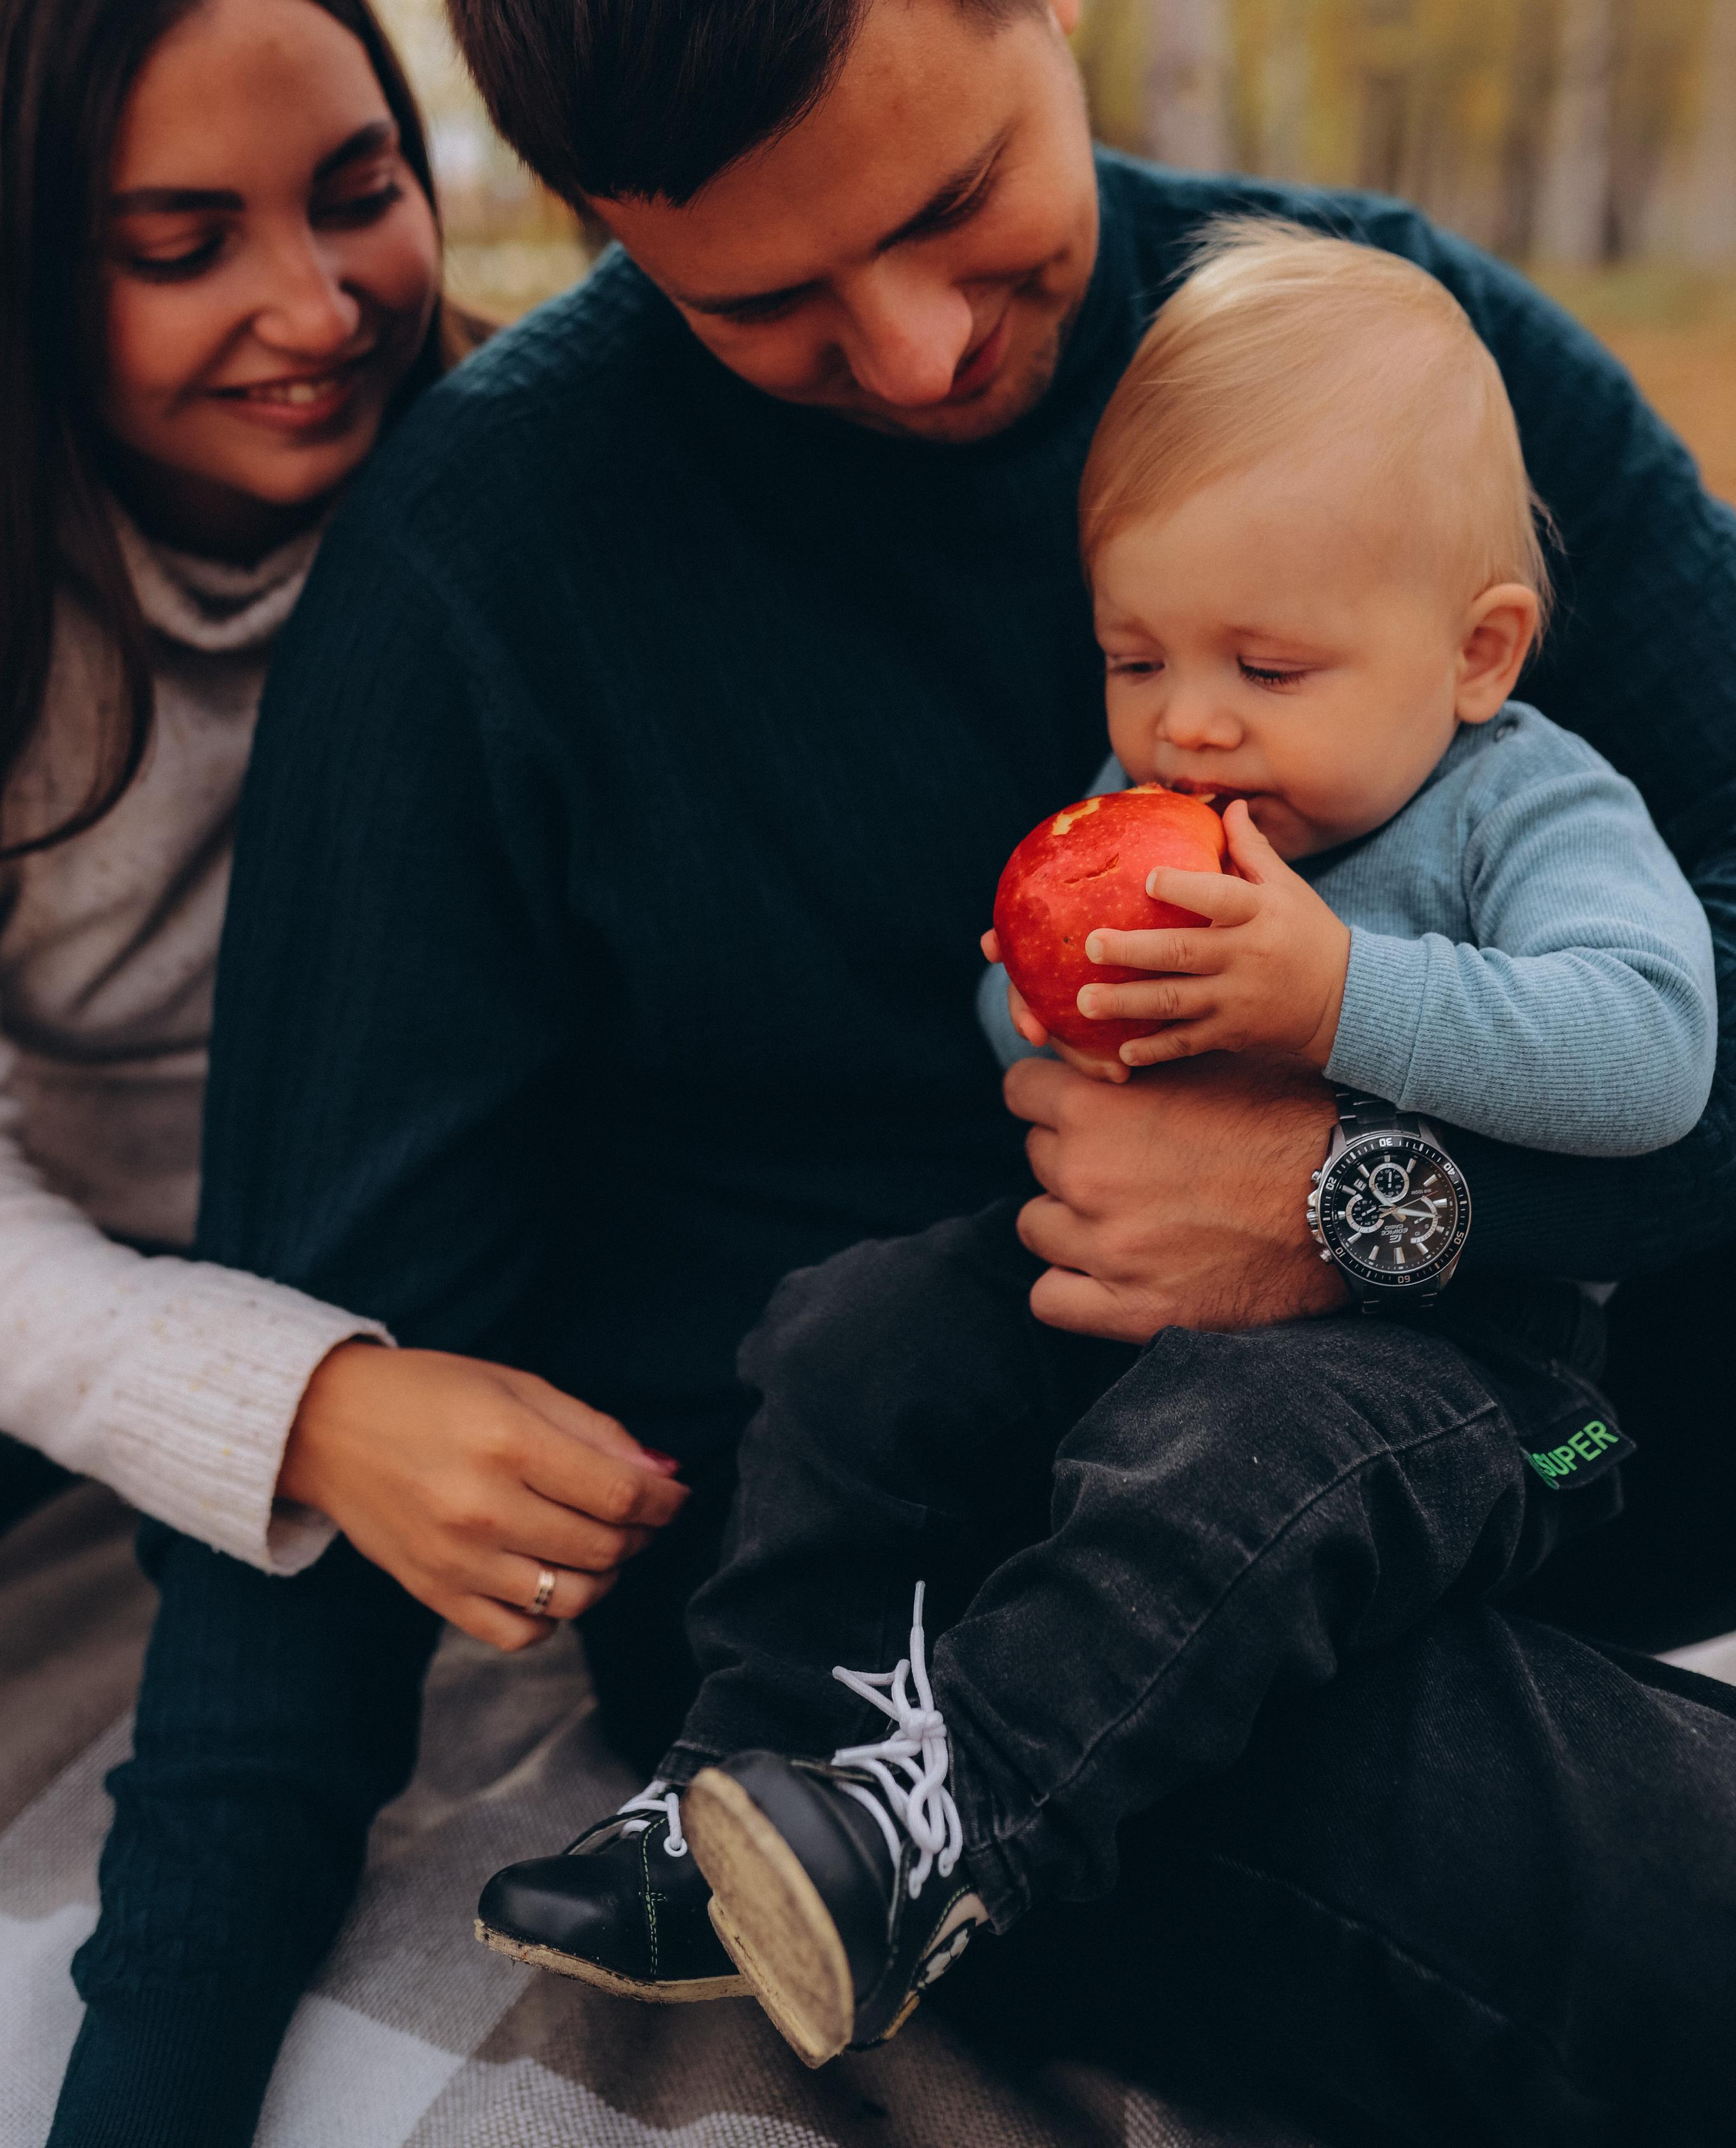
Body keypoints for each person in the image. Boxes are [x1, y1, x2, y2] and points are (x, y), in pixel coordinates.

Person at [47, 0, 1736, 2148]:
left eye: (960, 204)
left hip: (1537, 1436)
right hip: (949, 1636)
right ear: (597, 222)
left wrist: (1364, 1204)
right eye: (764, 305)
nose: (928, 347)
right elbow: (327, 1387)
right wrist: (144, 2091)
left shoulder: (1403, 382)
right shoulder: (483, 582)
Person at [471, 223, 1720, 2082]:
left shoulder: (1524, 804)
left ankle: (955, 1826)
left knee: (1209, 1460)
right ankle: (734, 1785)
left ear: (1475, 652)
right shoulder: (1193, 805)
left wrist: (1334, 995)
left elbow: (1655, 1056)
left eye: (1268, 665)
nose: (1189, 719)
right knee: (851, 1334)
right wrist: (1046, 998)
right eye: (1138, 655)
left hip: (1469, 1371)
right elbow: (1049, 1063)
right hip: (1130, 1289)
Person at [0, 0, 685, 1633]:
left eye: (359, 191)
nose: (316, 306)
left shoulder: (527, 489)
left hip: (518, 1279)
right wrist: (304, 1405)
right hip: (92, 1305)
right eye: (183, 243)